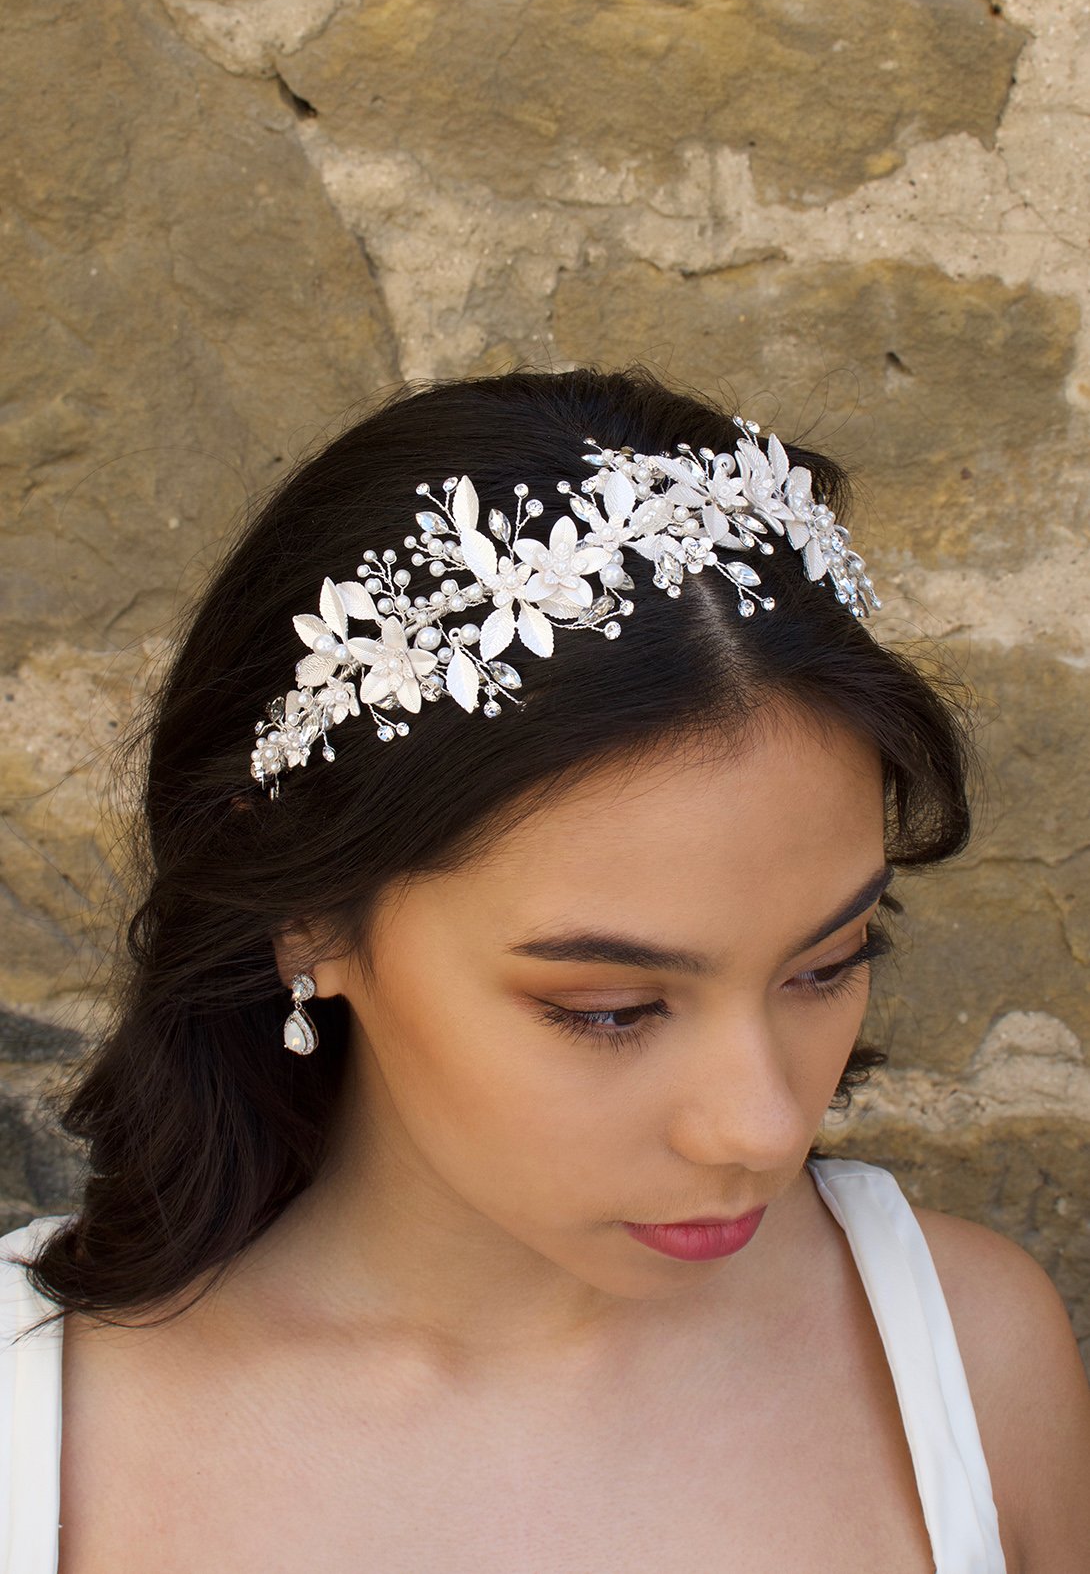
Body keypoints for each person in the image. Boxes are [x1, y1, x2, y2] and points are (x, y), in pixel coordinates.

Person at [2, 365, 1087, 1573]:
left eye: (828, 964)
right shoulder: (39, 1431)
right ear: (306, 913)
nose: (760, 1125)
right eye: (609, 1011)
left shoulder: (972, 1361)